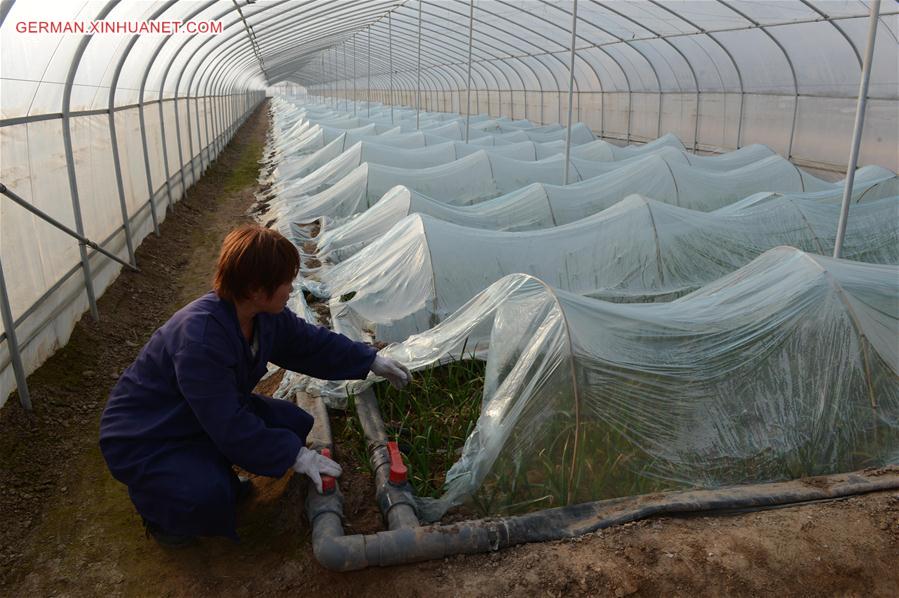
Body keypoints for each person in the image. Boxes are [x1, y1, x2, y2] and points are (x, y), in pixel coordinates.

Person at [99, 224, 410, 547]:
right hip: (148, 434)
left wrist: (369, 360)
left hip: (196, 414)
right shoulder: (200, 339)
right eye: (285, 281)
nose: (291, 288)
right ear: (255, 289)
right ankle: (160, 510)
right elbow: (228, 423)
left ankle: (209, 469)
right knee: (210, 495)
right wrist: (296, 457)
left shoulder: (262, 316)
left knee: (295, 423)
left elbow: (309, 343)